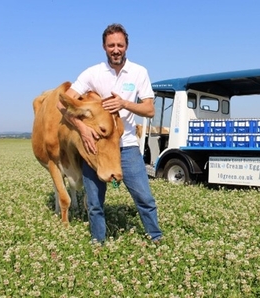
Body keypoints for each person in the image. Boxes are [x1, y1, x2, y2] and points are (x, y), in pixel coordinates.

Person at [58, 23, 162, 244]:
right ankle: (98, 242)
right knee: (95, 202)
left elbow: (150, 109)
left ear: (127, 46)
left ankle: (156, 237)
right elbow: (63, 104)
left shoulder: (139, 72)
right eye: (111, 45)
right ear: (104, 47)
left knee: (144, 197)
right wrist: (83, 129)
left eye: (120, 45)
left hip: (127, 147)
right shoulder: (92, 73)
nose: (116, 49)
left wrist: (124, 103)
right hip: (95, 147)